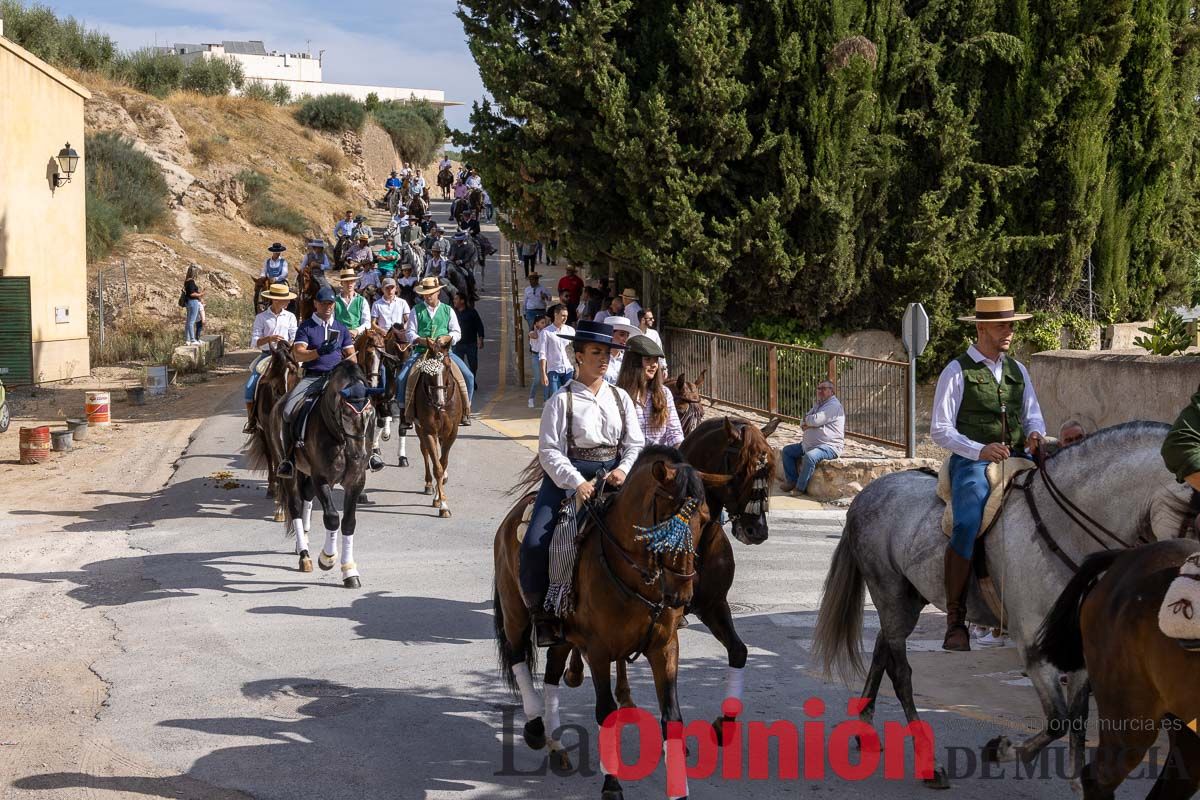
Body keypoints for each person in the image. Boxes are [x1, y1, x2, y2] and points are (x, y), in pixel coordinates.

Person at [930, 296, 1045, 652]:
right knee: (966, 522)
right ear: (981, 328)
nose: (1009, 331)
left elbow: (1033, 414)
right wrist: (979, 449)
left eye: (1011, 325)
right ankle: (955, 617)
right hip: (973, 462)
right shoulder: (956, 370)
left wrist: (1036, 433)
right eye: (1001, 325)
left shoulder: (1018, 371)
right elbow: (940, 429)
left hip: (1018, 456)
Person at [521, 319, 645, 644]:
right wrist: (576, 482)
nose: (602, 359)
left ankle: (662, 599)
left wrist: (625, 469)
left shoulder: (620, 398)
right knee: (536, 542)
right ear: (578, 355)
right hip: (568, 478)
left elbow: (635, 443)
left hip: (614, 476)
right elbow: (549, 451)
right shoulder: (560, 401)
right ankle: (543, 614)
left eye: (606, 353)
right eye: (595, 352)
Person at [277, 285, 359, 478]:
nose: (328, 307)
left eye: (331, 303)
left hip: (337, 379)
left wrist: (347, 365)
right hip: (313, 376)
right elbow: (298, 354)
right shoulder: (306, 326)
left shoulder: (340, 327)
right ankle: (288, 459)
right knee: (288, 410)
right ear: (316, 304)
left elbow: (352, 356)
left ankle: (367, 452)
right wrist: (318, 352)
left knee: (361, 407)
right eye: (324, 303)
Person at [394, 277, 475, 426]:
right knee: (402, 378)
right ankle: (405, 413)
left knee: (468, 376)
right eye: (425, 293)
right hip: (422, 353)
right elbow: (410, 333)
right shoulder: (416, 310)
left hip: (444, 353)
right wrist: (422, 340)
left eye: (431, 293)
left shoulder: (448, 310)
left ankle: (465, 410)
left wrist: (447, 338)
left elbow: (457, 332)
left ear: (438, 292)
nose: (428, 296)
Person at [244, 283, 299, 433]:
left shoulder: (290, 317)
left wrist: (288, 346)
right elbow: (254, 341)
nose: (288, 303)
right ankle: (252, 420)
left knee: (300, 378)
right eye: (285, 300)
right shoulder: (261, 317)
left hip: (286, 355)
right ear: (275, 300)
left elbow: (295, 337)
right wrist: (269, 338)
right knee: (250, 386)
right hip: (267, 355)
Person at [617, 334, 683, 447]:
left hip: (660, 458)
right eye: (648, 360)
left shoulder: (665, 393)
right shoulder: (618, 395)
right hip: (629, 459)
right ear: (633, 363)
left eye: (656, 360)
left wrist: (677, 452)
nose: (654, 365)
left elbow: (674, 432)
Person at [779, 381, 844, 494]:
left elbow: (815, 420)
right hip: (809, 445)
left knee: (809, 457)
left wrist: (808, 421)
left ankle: (800, 488)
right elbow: (803, 421)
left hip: (829, 446)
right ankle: (792, 481)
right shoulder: (819, 404)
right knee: (787, 451)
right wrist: (808, 421)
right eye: (819, 388)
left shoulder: (833, 405)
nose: (820, 391)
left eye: (824, 388)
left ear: (832, 391)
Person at [539, 304, 576, 399]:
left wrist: (577, 367)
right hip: (554, 370)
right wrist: (543, 373)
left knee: (569, 397)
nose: (565, 318)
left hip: (568, 369)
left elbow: (573, 350)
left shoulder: (571, 331)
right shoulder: (546, 332)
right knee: (556, 397)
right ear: (556, 315)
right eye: (563, 315)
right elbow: (542, 354)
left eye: (566, 316)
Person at [452, 293, 485, 377]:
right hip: (457, 345)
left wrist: (481, 339)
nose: (454, 301)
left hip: (471, 344)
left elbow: (479, 325)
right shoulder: (452, 313)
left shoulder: (472, 312)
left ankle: (472, 381)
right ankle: (463, 383)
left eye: (456, 299)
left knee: (473, 365)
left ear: (462, 301)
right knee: (458, 366)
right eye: (454, 299)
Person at [601, 316, 638, 384]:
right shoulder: (599, 357)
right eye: (622, 335)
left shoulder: (627, 359)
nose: (625, 339)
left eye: (627, 336)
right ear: (610, 334)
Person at [334, 269, 370, 337]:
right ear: (341, 283)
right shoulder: (335, 301)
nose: (349, 284)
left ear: (355, 283)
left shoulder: (362, 300)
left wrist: (357, 330)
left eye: (351, 281)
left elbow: (367, 323)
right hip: (339, 335)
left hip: (357, 336)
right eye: (346, 282)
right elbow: (331, 320)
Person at [527, 311, 550, 408]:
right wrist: (536, 329)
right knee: (537, 379)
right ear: (536, 323)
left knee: (545, 379)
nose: (544, 324)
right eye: (542, 322)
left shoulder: (546, 332)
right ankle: (531, 398)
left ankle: (545, 400)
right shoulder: (532, 332)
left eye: (544, 323)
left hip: (544, 356)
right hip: (536, 356)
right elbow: (535, 336)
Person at [182, 264, 204, 345]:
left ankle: (187, 339)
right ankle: (192, 339)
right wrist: (201, 294)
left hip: (188, 302)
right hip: (193, 302)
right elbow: (192, 294)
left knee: (188, 321)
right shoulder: (191, 281)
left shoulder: (186, 281)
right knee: (192, 321)